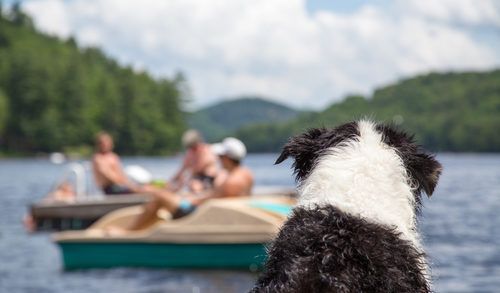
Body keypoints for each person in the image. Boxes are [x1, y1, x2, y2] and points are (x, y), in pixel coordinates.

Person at [122, 137, 253, 231]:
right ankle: (142, 230)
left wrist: (192, 199)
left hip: (203, 214)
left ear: (226, 158)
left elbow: (214, 200)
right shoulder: (246, 174)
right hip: (213, 210)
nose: (218, 159)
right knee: (167, 195)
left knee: (159, 196)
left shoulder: (232, 181)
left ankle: (129, 232)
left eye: (220, 156)